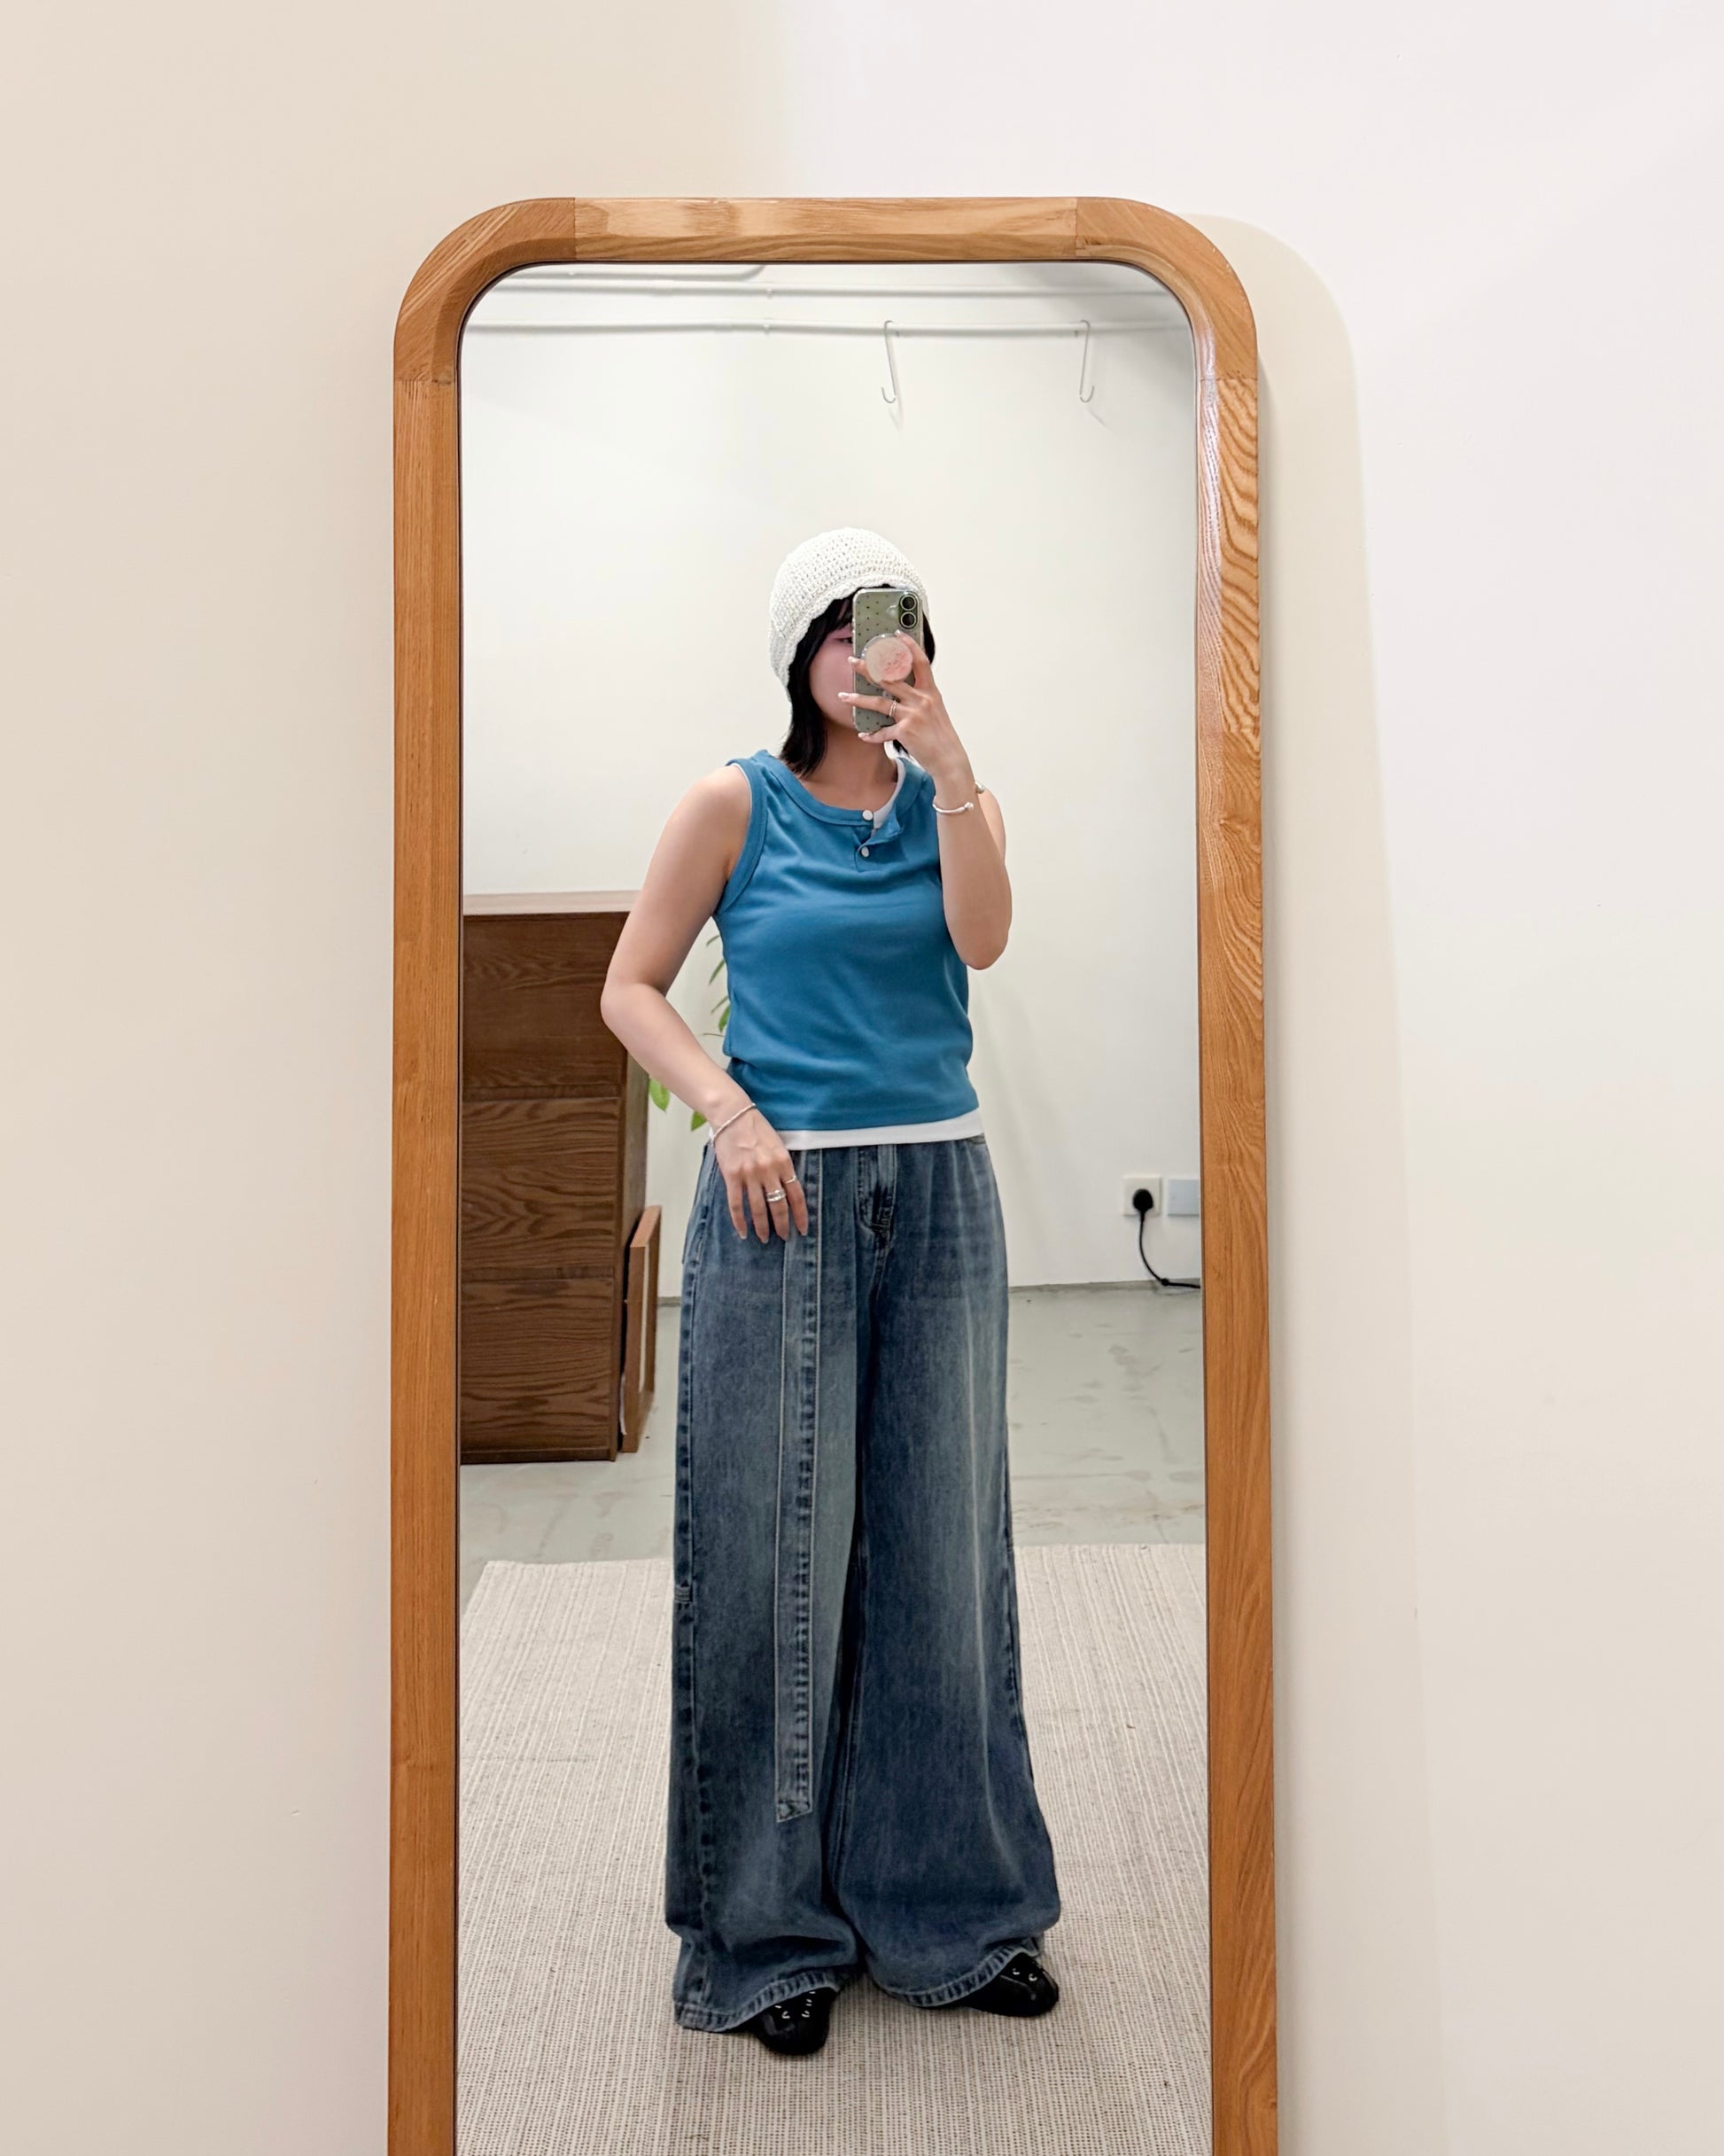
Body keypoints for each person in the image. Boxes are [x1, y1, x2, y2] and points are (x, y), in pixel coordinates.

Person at [600, 527, 1062, 2058]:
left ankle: (950, 1909)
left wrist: (953, 762)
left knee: (942, 1560)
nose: (880, 654)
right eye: (852, 630)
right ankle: (764, 1933)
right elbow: (629, 985)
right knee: (770, 1561)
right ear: (800, 652)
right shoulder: (731, 801)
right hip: (777, 1195)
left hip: (938, 1196)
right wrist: (729, 1111)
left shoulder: (950, 801)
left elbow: (983, 939)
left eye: (904, 627)